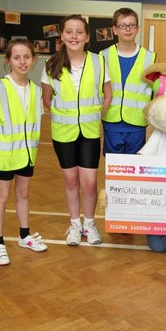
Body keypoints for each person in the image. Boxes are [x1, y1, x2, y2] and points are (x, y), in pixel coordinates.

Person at [42, 14, 112, 246]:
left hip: (90, 132)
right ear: (61, 35)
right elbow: (47, 99)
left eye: (79, 31)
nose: (74, 36)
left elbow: (107, 93)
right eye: (69, 31)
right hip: (63, 133)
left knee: (89, 182)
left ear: (87, 37)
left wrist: (93, 115)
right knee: (71, 180)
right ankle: (74, 224)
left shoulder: (99, 61)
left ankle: (89, 224)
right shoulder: (51, 64)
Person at [0, 39, 47, 266]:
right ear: (8, 60)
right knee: (2, 196)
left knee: (23, 195)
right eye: (17, 57)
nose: (22, 61)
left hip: (27, 154)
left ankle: (24, 236)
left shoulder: (36, 91)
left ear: (33, 60)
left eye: (27, 57)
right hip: (5, 156)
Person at [100, 8, 156, 155]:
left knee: (133, 171)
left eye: (131, 25)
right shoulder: (103, 56)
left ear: (137, 28)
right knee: (113, 170)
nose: (127, 29)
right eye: (122, 25)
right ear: (115, 29)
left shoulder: (150, 58)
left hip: (137, 123)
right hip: (111, 121)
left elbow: (156, 92)